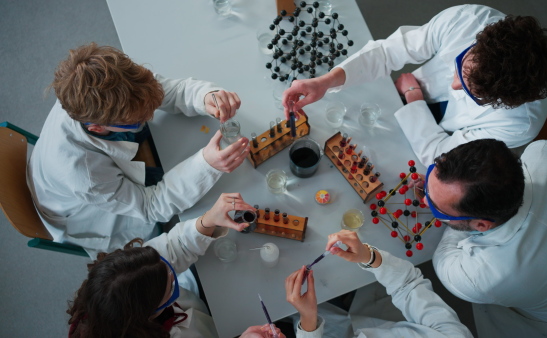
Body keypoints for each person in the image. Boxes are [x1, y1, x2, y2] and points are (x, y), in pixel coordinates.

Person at [27, 43, 250, 258]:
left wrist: (205, 96)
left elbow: (164, 89)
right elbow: (150, 206)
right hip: (85, 212)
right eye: (136, 121)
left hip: (61, 172)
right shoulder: (85, 176)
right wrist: (207, 165)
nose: (150, 117)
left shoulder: (103, 80)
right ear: (96, 127)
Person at [282, 5, 547, 165]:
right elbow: (389, 52)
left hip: (429, 134)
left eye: (473, 93)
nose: (454, 85)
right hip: (400, 98)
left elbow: (440, 153)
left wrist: (414, 97)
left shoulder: (519, 123)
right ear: (480, 39)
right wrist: (326, 81)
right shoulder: (469, 21)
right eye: (460, 68)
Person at [423, 139, 547, 336]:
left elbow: (444, 257)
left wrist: (437, 199)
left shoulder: (481, 278)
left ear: (481, 225)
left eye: (434, 207)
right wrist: (437, 194)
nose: (424, 198)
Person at [67, 193, 284, 338]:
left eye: (165, 265)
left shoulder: (118, 282)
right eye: (171, 288)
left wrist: (207, 221)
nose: (173, 273)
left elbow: (174, 247)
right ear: (151, 313)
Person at [285, 230, 473, 337]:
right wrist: (369, 256)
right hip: (377, 318)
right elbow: (408, 285)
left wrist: (308, 320)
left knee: (292, 311)